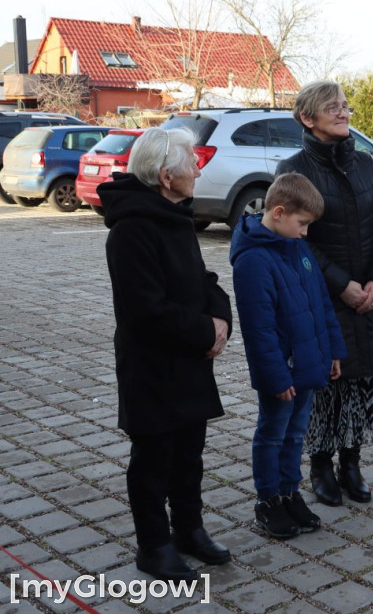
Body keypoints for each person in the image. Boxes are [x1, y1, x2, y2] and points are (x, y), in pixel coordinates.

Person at [98, 127, 232, 582]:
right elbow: (145, 312)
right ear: (165, 175)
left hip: (188, 360)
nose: (198, 168)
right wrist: (203, 331)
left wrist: (221, 320)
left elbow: (202, 280)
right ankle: (153, 546)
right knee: (154, 459)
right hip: (152, 366)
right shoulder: (132, 231)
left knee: (189, 453)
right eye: (191, 162)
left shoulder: (175, 215)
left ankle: (189, 529)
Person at [277, 80, 373, 506]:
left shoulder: (365, 165)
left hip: (368, 295)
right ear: (307, 118)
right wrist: (341, 285)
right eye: (333, 107)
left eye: (345, 106)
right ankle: (320, 464)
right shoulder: (293, 170)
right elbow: (297, 240)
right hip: (322, 298)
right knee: (325, 383)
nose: (344, 112)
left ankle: (353, 461)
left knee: (364, 379)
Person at [230, 173, 347, 538]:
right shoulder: (254, 261)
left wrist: (333, 350)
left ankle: (289, 492)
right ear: (279, 212)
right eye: (302, 223)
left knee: (296, 435)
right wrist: (276, 377)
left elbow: (321, 305)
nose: (305, 233)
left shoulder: (298, 248)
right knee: (272, 434)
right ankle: (268, 501)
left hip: (308, 364)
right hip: (281, 372)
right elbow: (259, 329)